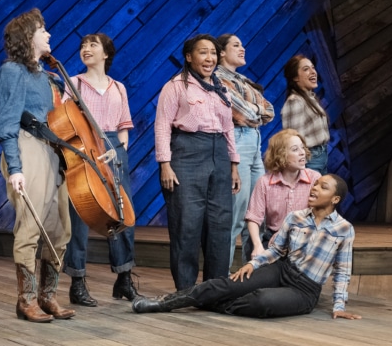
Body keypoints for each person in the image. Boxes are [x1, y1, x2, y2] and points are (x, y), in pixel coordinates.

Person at [132, 173, 362, 321]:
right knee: (228, 284)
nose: (314, 188)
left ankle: (207, 302)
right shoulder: (296, 217)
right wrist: (253, 263)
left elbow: (343, 270)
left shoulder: (344, 229)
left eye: (323, 187)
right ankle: (165, 303)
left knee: (261, 301)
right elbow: (276, 251)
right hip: (282, 269)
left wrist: (339, 306)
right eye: (315, 184)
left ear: (335, 199)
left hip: (305, 290)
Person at [0, 8, 75, 323]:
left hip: (53, 152)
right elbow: (7, 124)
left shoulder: (48, 77)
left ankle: (47, 295)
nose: (49, 34)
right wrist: (15, 168)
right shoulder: (12, 71)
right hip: (28, 149)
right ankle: (25, 300)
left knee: (59, 228)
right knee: (30, 227)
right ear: (28, 37)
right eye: (43, 30)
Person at [154, 33, 241, 291]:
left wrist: (233, 165)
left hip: (219, 156)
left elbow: (229, 128)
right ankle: (186, 290)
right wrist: (165, 164)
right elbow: (161, 127)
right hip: (187, 153)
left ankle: (214, 288)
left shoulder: (220, 88)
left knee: (220, 223)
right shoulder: (175, 86)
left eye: (213, 53)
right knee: (187, 223)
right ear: (189, 57)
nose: (209, 58)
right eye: (203, 52)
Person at [62, 33, 141, 306]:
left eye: (93, 45)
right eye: (83, 45)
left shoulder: (119, 87)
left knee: (122, 215)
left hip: (114, 153)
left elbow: (124, 126)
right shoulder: (74, 84)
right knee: (80, 219)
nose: (86, 49)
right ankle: (77, 282)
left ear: (106, 53)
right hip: (84, 151)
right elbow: (66, 120)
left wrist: (119, 151)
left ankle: (124, 279)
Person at [215, 34, 275, 268]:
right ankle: (222, 277)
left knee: (257, 215)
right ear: (222, 52)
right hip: (237, 142)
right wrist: (254, 110)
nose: (243, 49)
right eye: (236, 45)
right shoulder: (218, 78)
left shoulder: (243, 80)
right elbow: (245, 114)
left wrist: (254, 110)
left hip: (254, 144)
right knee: (236, 216)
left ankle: (251, 273)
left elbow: (269, 111)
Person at [245, 128, 321, 259]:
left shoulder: (315, 178)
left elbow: (322, 216)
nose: (302, 153)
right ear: (281, 155)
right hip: (274, 238)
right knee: (252, 247)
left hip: (305, 239)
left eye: (302, 148)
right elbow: (253, 218)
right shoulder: (264, 182)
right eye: (295, 149)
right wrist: (257, 246)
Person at [281, 55, 330, 174]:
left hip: (321, 155)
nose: (313, 72)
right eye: (306, 69)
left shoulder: (310, 98)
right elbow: (293, 139)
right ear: (295, 77)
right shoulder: (295, 101)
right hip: (310, 159)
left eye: (313, 68)